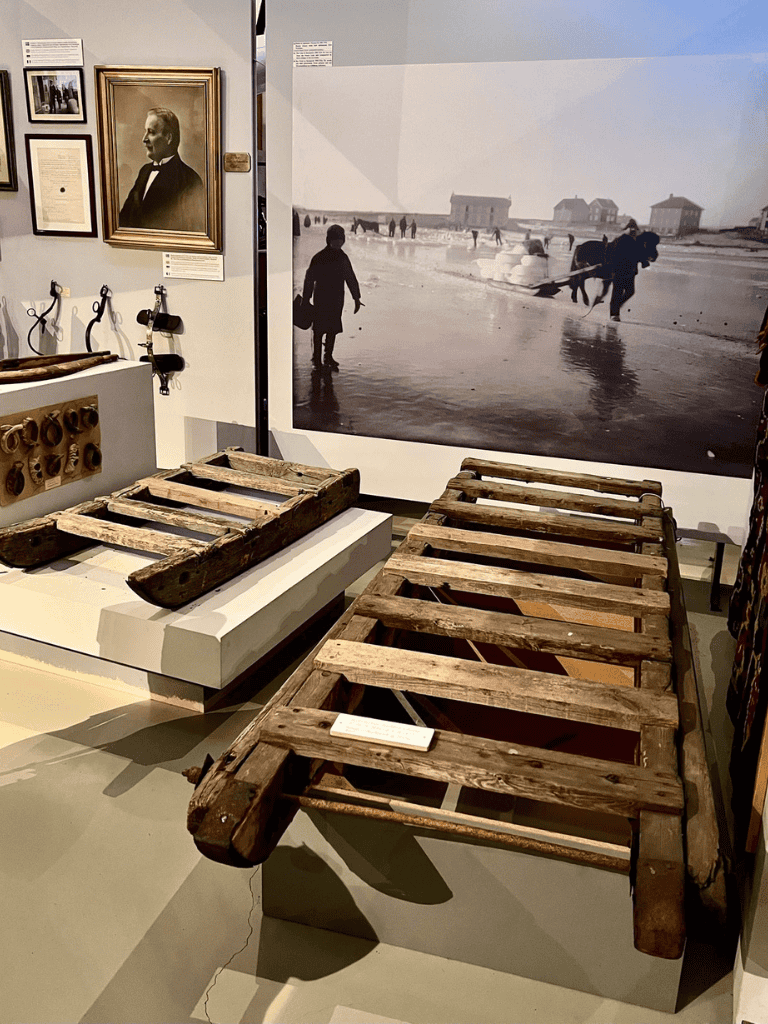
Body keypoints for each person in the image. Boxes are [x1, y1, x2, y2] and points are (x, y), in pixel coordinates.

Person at [119, 108, 206, 232]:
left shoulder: (190, 179)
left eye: (151, 132)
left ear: (168, 138)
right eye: (145, 132)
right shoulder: (144, 171)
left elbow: (192, 231)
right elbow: (124, 218)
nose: (144, 139)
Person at [302, 224, 361, 370]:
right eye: (335, 239)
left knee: (332, 329)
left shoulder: (343, 258)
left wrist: (356, 298)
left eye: (341, 240)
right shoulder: (319, 257)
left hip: (337, 299)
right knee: (318, 330)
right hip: (321, 298)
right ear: (329, 240)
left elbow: (350, 278)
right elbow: (309, 279)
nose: (338, 243)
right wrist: (306, 298)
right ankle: (316, 359)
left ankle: (328, 356)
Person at [609, 219, 640, 322]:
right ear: (627, 229)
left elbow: (636, 256)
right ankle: (614, 314)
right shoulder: (620, 240)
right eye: (631, 228)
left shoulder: (635, 242)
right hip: (619, 271)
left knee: (630, 291)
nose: (633, 230)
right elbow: (614, 256)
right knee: (617, 293)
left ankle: (616, 306)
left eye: (634, 228)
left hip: (630, 272)